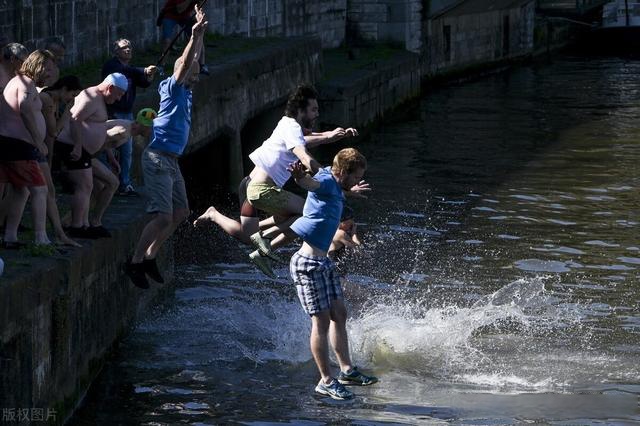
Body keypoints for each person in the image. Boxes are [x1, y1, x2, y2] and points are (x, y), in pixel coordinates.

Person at [126, 5, 207, 289]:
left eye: (197, 76)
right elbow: (185, 64)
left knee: (180, 212)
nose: (195, 80)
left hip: (171, 161)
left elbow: (193, 60)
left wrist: (199, 32)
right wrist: (193, 37)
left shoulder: (185, 93)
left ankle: (150, 256)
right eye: (192, 77)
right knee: (162, 215)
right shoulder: (172, 90)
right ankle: (135, 262)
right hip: (158, 158)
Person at [288, 148, 377, 400]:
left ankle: (347, 370)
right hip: (307, 264)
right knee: (321, 322)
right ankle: (326, 380)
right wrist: (298, 179)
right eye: (357, 177)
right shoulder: (326, 179)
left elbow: (334, 190)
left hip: (324, 262)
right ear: (344, 172)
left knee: (340, 313)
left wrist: (350, 191)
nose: (359, 181)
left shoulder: (336, 184)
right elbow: (311, 183)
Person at [55, 73, 127, 239]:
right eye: (118, 95)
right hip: (72, 147)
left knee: (95, 186)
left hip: (83, 150)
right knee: (85, 186)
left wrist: (110, 156)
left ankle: (85, 223)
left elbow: (97, 128)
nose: (118, 100)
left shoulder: (97, 98)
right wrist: (79, 146)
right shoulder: (93, 96)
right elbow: (74, 119)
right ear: (110, 88)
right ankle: (77, 226)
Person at [0, 49, 58, 247]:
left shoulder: (22, 81)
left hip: (12, 143)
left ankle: (10, 237)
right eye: (48, 69)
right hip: (18, 145)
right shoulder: (25, 83)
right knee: (40, 191)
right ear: (38, 66)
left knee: (21, 191)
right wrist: (38, 140)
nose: (50, 73)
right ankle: (41, 238)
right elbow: (25, 109)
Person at [101, 38, 157, 196]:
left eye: (130, 47)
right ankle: (106, 184)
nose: (128, 50)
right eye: (124, 47)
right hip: (113, 112)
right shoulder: (112, 66)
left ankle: (124, 184)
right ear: (116, 51)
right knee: (109, 148)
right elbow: (126, 72)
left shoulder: (131, 69)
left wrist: (149, 75)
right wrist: (143, 70)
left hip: (128, 113)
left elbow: (144, 83)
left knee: (127, 151)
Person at [39, 75, 83, 247]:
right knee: (46, 192)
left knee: (27, 193)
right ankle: (57, 234)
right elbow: (53, 131)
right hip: (33, 150)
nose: (71, 99)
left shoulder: (52, 100)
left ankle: (55, 233)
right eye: (72, 95)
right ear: (64, 89)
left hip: (41, 153)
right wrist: (67, 112)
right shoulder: (48, 100)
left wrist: (49, 161)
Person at [158, 0, 209, 75]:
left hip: (184, 17)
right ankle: (161, 66)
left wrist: (199, 4)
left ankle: (202, 65)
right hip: (170, 15)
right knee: (167, 41)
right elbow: (179, 9)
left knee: (198, 35)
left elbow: (198, 8)